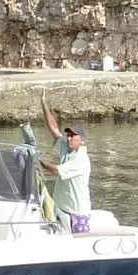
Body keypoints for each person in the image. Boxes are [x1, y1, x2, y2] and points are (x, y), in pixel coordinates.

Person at [35, 90, 92, 233]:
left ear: (82, 140)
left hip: (76, 214)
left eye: (73, 136)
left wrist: (38, 160)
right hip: (61, 208)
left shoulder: (81, 160)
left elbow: (56, 170)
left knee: (76, 243)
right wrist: (43, 103)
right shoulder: (66, 149)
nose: (69, 138)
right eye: (68, 135)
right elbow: (54, 128)